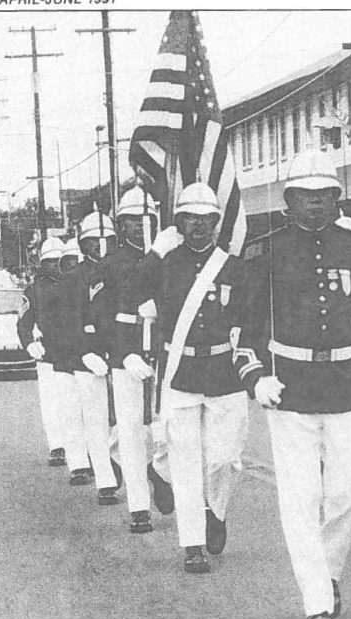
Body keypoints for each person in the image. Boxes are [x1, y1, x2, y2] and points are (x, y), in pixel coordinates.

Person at [234, 149, 351, 619]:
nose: (316, 206)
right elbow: (246, 324)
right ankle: (316, 601)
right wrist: (255, 375)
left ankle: (327, 570)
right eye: (305, 197)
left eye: (325, 196)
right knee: (301, 498)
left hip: (345, 384)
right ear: (288, 202)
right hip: (290, 388)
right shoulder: (266, 252)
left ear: (336, 199)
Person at [124, 183, 251, 573]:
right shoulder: (165, 264)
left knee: (226, 459)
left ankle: (216, 509)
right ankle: (192, 543)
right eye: (190, 219)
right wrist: (154, 252)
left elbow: (249, 320)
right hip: (179, 372)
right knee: (185, 460)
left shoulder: (233, 267)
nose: (198, 226)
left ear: (217, 222)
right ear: (179, 222)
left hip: (225, 374)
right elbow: (128, 292)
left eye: (206, 219)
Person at [105, 188, 174, 535]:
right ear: (121, 225)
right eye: (131, 221)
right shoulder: (112, 263)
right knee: (131, 431)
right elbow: (103, 317)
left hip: (165, 350)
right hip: (127, 353)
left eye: (145, 220)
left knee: (166, 428)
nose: (139, 226)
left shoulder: (168, 256)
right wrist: (122, 354)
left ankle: (159, 473)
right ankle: (138, 506)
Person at [62, 212, 121, 504]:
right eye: (93, 242)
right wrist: (85, 351)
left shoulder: (123, 269)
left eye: (108, 240)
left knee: (133, 421)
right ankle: (106, 481)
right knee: (96, 419)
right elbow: (69, 321)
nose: (101, 247)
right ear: (83, 246)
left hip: (124, 353)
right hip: (90, 357)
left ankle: (118, 459)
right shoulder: (73, 278)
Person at [17, 237, 80, 470]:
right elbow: (24, 322)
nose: (55, 266)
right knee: (52, 403)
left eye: (58, 261)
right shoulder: (33, 290)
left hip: (75, 351)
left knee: (76, 404)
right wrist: (29, 343)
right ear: (42, 264)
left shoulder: (74, 284)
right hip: (48, 353)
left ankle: (81, 448)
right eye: (50, 262)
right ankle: (57, 445)